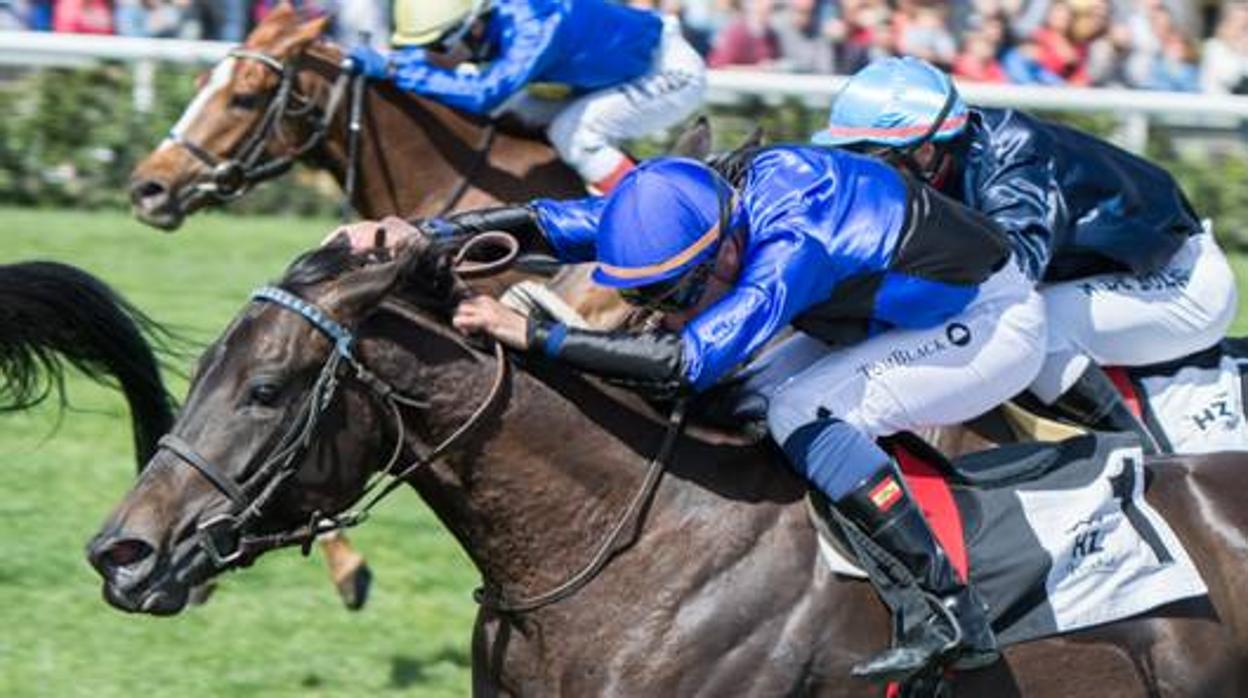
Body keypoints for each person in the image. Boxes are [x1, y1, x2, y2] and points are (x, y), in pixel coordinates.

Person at [359, 148, 1046, 681]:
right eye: (650, 293)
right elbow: (554, 223)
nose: (665, 308)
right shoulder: (689, 204)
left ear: (723, 250)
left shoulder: (789, 245)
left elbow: (689, 357)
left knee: (797, 407)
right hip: (875, 311)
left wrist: (539, 336)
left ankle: (949, 610)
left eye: (677, 290)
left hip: (987, 320)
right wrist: (422, 233)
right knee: (730, 404)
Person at [814, 57, 1239, 452]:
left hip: (1184, 281)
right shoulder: (932, 167)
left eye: (869, 160)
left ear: (924, 151)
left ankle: (1147, 462)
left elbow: (1013, 274)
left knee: (1030, 327)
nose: (861, 178)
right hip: (1099, 275)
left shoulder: (1014, 153)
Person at [346, 0, 706, 194]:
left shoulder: (536, 25)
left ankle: (646, 212)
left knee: (574, 133)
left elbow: (486, 94)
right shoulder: (481, 21)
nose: (426, 59)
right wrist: (391, 61)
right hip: (612, 76)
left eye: (431, 49)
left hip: (669, 71)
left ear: (470, 29)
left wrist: (396, 71)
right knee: (515, 112)